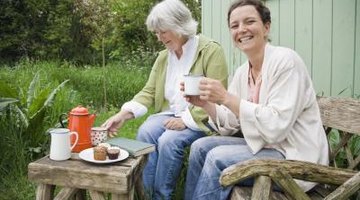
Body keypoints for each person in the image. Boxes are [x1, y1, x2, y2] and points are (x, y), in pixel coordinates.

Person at [182, 0, 329, 199]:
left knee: (217, 159)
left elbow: (276, 127)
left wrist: (226, 97)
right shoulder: (243, 73)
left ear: (266, 27)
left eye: (249, 22)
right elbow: (231, 124)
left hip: (297, 159)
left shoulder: (286, 61)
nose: (241, 30)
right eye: (234, 26)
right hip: (267, 147)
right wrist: (205, 104)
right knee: (200, 147)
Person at [101, 0, 228, 199]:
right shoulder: (164, 57)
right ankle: (146, 194)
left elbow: (218, 97)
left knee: (169, 140)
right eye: (156, 33)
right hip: (171, 113)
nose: (159, 38)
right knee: (146, 131)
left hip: (203, 118)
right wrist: (122, 115)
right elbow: (149, 92)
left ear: (180, 25)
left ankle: (161, 196)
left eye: (163, 31)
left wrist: (185, 120)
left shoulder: (210, 51)